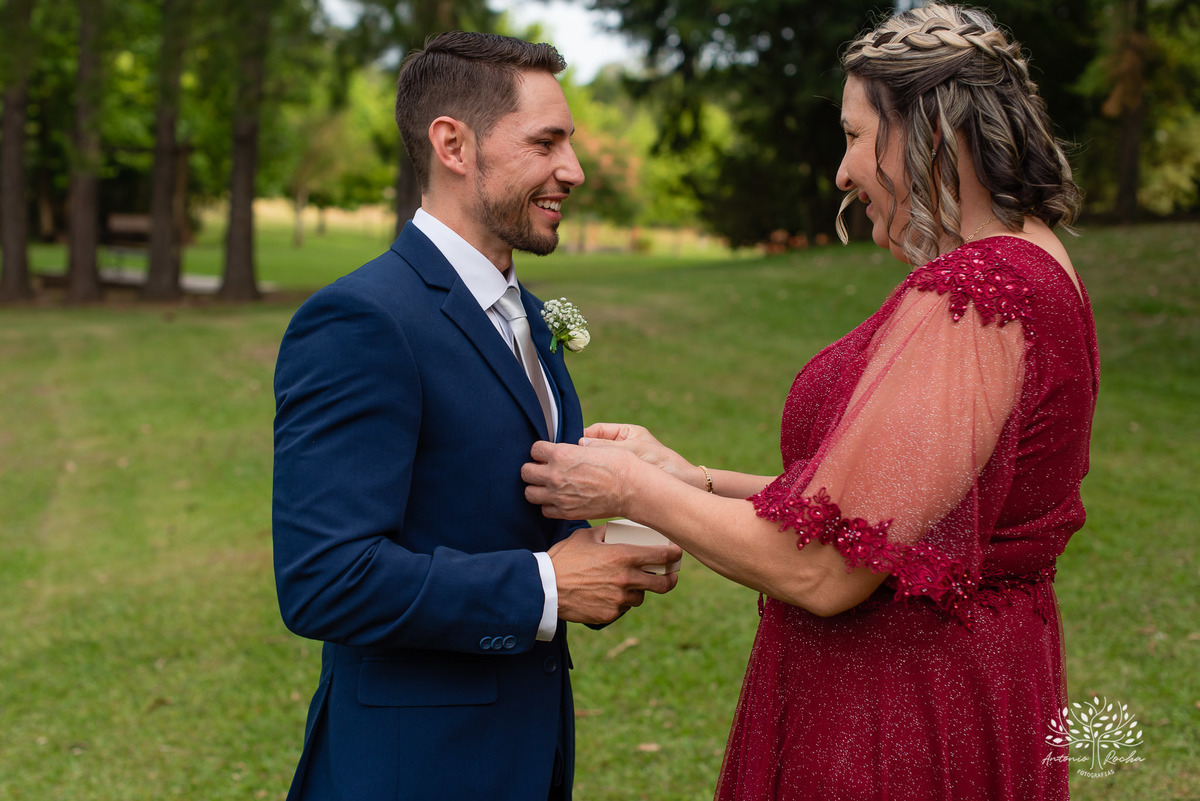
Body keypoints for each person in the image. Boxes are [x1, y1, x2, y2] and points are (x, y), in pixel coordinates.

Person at [522, 5, 1097, 800]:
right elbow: (885, 511)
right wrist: (694, 479)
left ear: (929, 133)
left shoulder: (976, 292)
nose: (843, 172)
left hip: (896, 715)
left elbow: (825, 567)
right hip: (969, 677)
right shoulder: (1037, 260)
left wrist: (631, 489)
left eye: (856, 136)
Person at [271, 31, 681, 801]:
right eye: (546, 143)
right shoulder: (362, 320)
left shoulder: (529, 312)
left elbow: (509, 510)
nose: (574, 169)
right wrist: (546, 588)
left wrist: (617, 535)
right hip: (411, 768)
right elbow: (324, 578)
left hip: (528, 749)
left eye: (570, 143)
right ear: (453, 145)